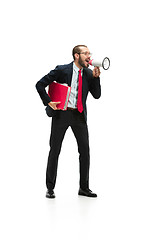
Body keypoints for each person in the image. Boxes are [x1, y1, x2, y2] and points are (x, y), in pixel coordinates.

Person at [36, 45, 101, 198]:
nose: (89, 56)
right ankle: (50, 188)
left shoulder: (88, 73)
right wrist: (48, 102)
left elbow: (97, 95)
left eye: (89, 53)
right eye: (85, 53)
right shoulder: (62, 70)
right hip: (62, 114)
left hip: (79, 115)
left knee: (85, 151)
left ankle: (84, 188)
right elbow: (39, 84)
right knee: (55, 150)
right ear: (76, 55)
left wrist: (96, 78)